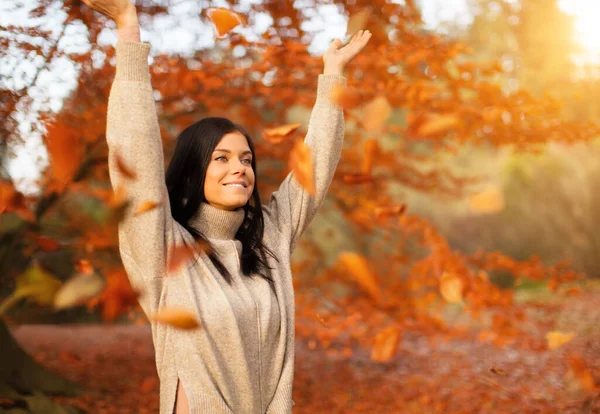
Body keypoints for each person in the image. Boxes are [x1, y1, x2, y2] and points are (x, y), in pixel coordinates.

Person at [81, 0, 371, 412]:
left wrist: (333, 77)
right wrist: (129, 32)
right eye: (221, 158)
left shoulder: (268, 240)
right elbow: (136, 150)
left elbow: (316, 165)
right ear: (194, 169)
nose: (239, 169)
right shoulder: (164, 247)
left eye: (246, 159)